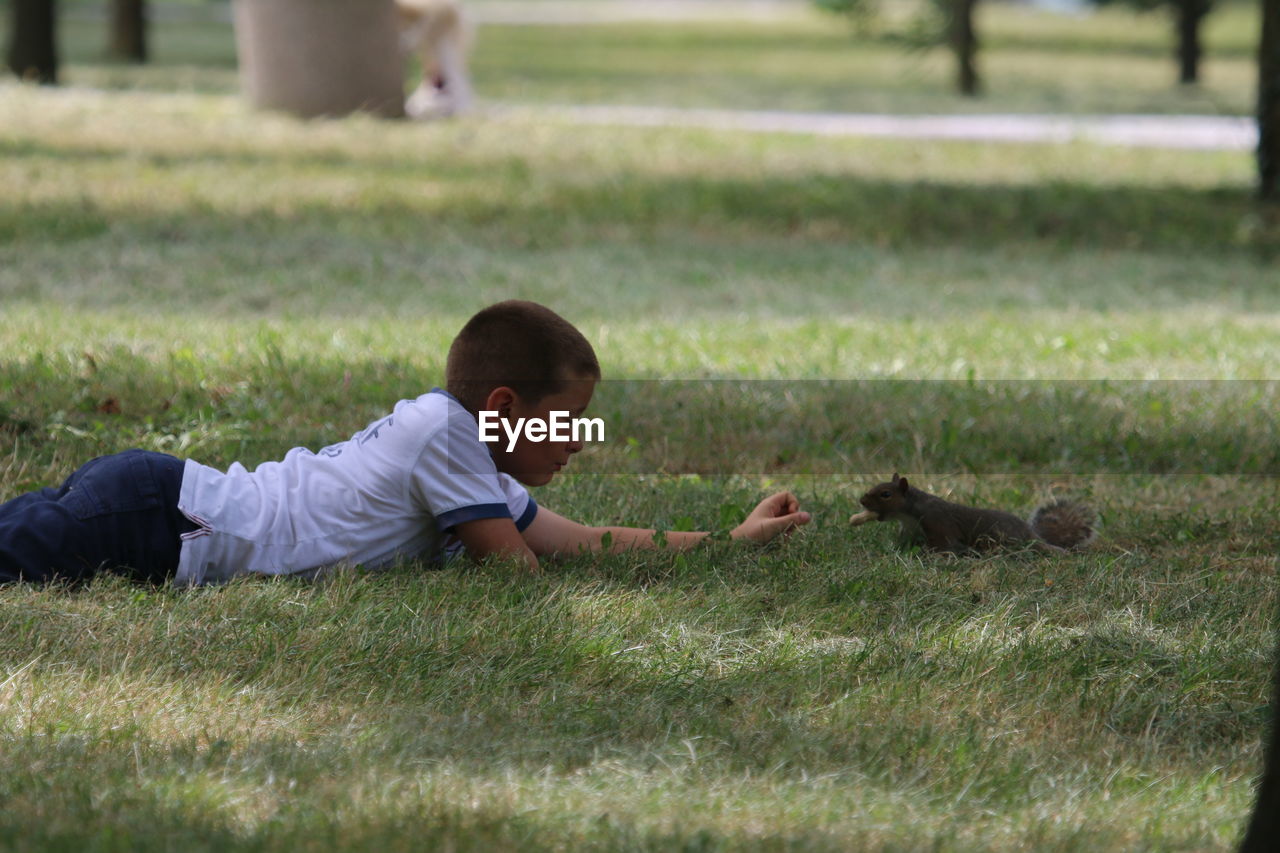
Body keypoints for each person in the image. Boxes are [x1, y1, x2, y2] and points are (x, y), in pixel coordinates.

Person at [0, 301, 811, 586]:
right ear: (502, 405)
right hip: (160, 521)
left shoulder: (470, 456)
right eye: (564, 419)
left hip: (151, 502)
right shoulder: (444, 434)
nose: (576, 441)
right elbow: (522, 569)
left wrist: (728, 541)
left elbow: (582, 540)